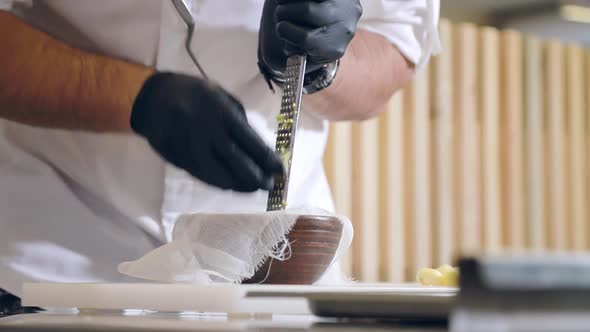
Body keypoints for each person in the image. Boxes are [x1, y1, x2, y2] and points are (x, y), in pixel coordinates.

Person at [0, 0, 440, 313]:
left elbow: (394, 47)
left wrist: (329, 62)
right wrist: (135, 98)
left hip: (269, 292)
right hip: (44, 261)